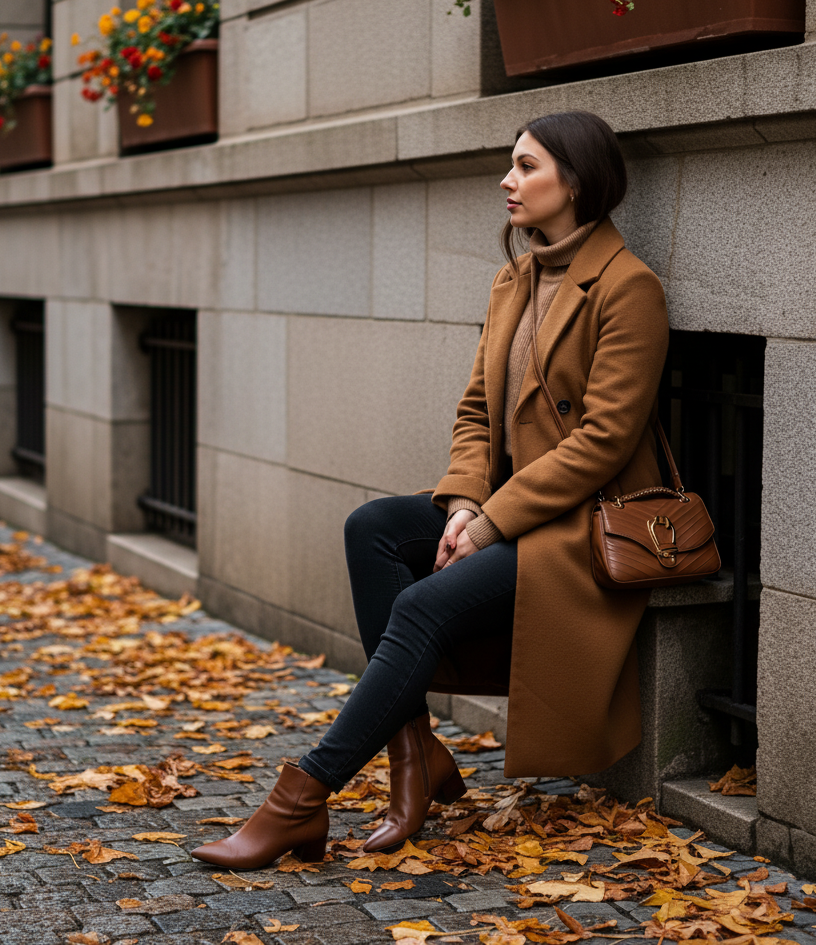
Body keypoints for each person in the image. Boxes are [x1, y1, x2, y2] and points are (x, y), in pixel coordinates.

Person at [191, 110, 670, 871]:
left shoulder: (627, 287)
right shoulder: (513, 279)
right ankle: (416, 754)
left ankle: (301, 799)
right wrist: (463, 504)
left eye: (525, 166)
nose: (506, 182)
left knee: (418, 606)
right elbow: (477, 410)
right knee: (372, 527)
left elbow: (604, 441)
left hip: (581, 521)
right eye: (510, 166)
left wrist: (491, 525)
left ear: (575, 181)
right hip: (510, 507)